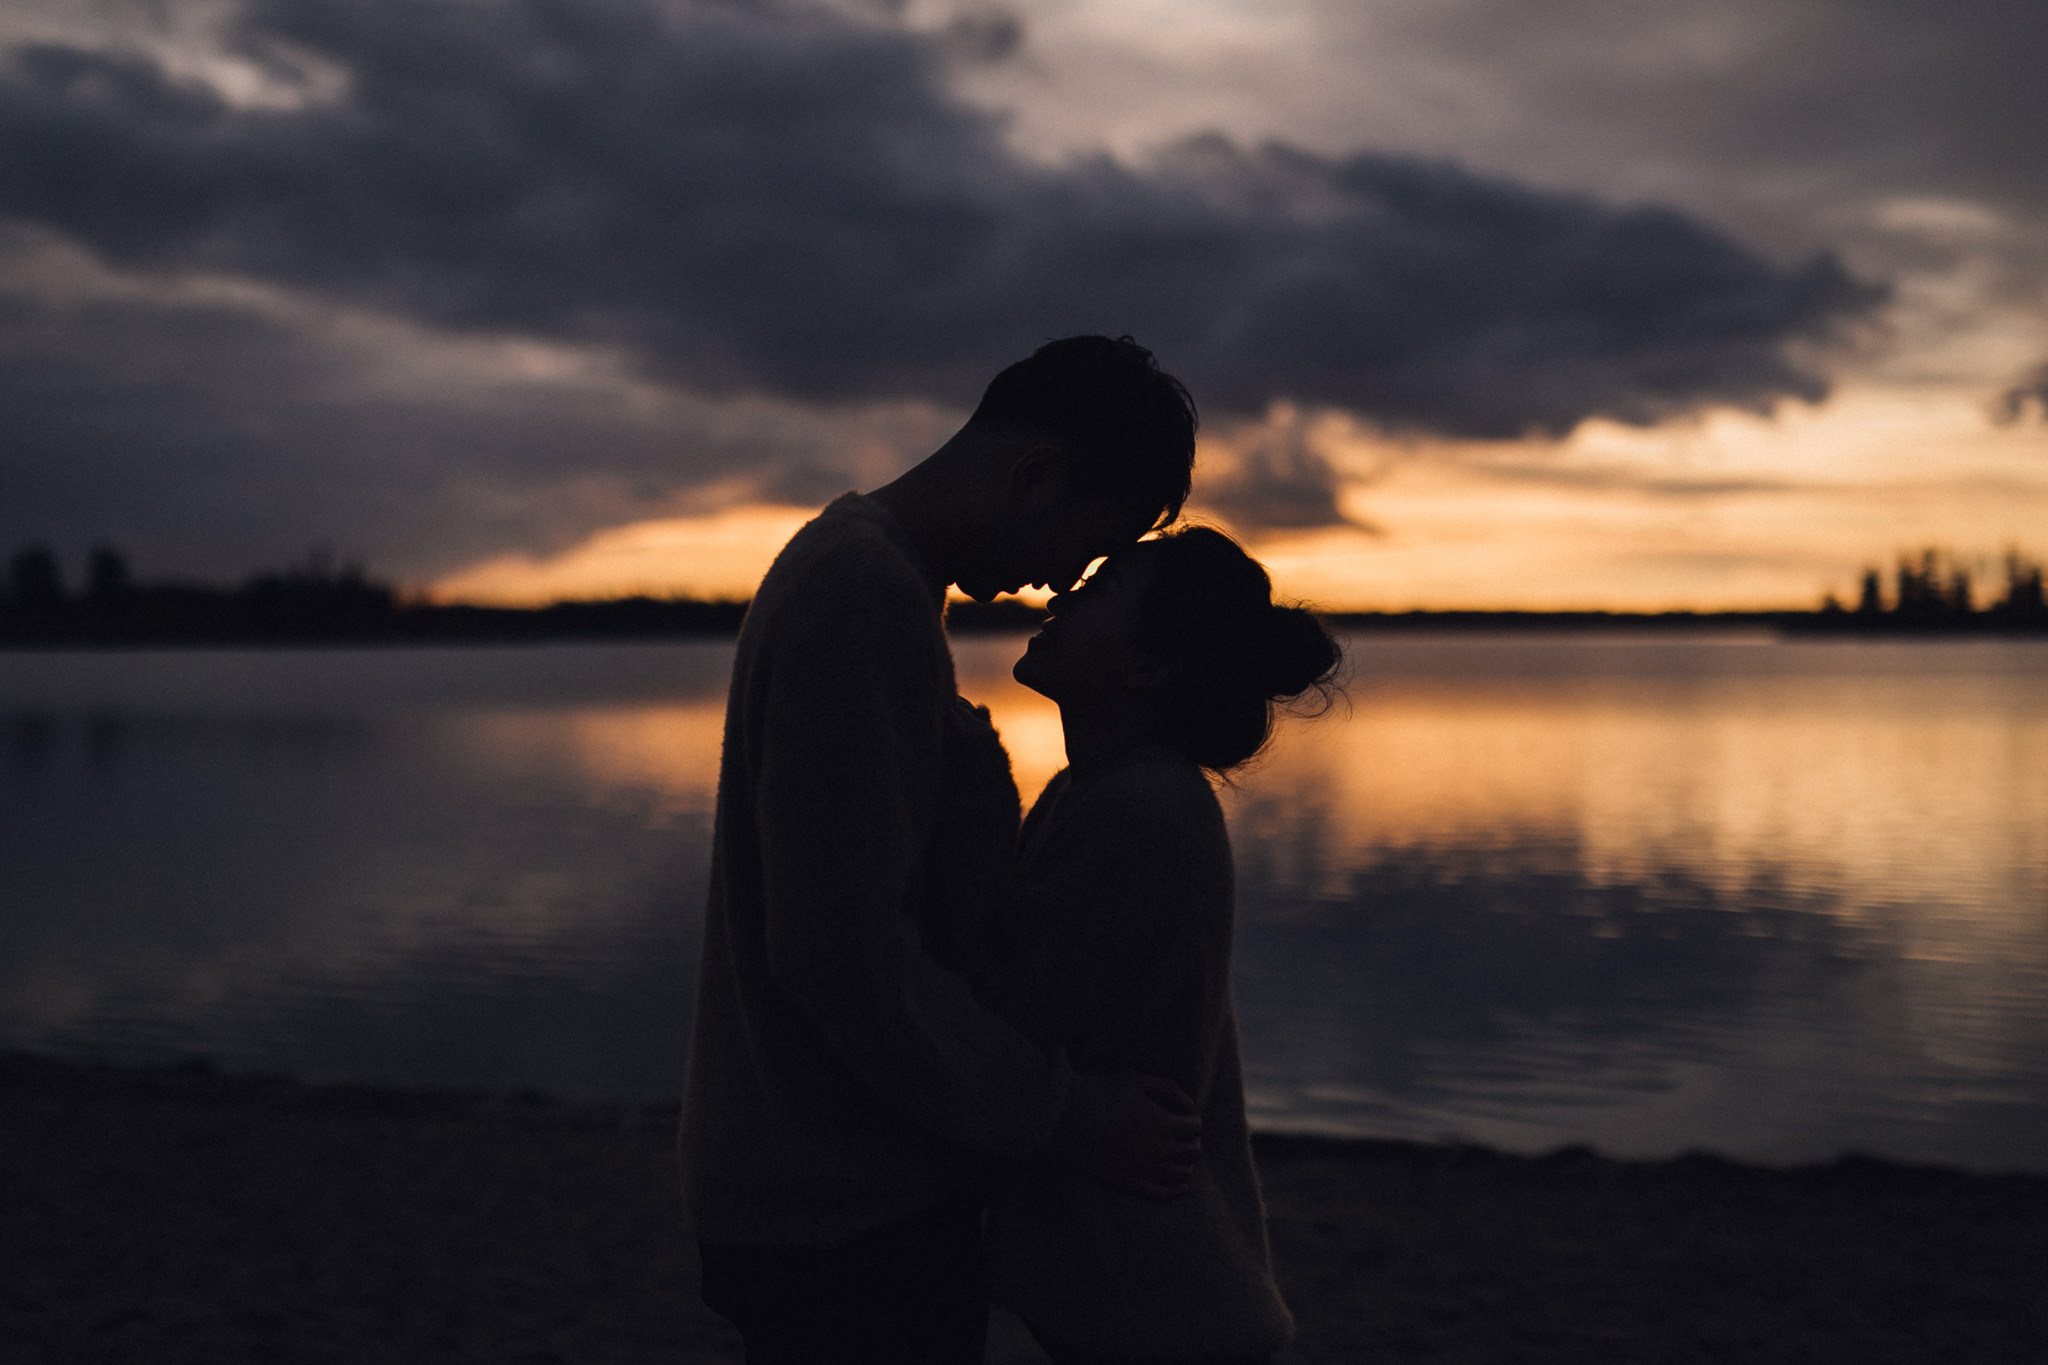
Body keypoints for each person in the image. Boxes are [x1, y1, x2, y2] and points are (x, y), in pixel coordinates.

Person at [680, 336, 1205, 1364]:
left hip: (829, 1192)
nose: (1062, 581)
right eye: (1085, 547)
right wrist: (1067, 1114)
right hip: (836, 1212)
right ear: (1032, 475)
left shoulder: (879, 579)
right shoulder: (860, 592)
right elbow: (841, 958)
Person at [979, 525, 1342, 1365]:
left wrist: (962, 814)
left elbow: (1010, 1010)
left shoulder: (1143, 809)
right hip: (1126, 1262)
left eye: (1099, 591)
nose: (1063, 595)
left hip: (1150, 1280)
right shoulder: (1093, 788)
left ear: (1148, 668)